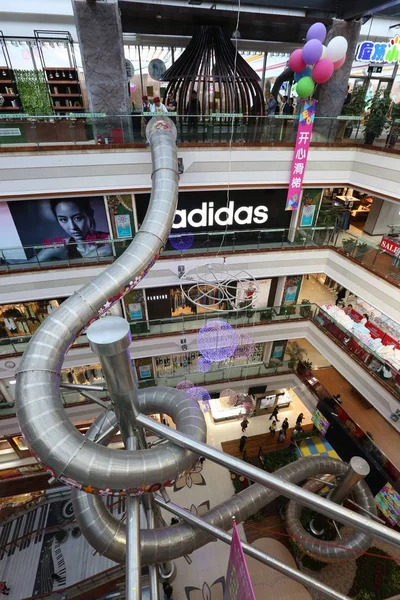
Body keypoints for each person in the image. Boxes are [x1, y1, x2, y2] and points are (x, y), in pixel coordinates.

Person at [31, 198, 112, 262]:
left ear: (90, 213)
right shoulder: (60, 246)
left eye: (77, 218)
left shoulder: (108, 239)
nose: (72, 227)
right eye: (63, 220)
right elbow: (30, 263)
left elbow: (108, 250)